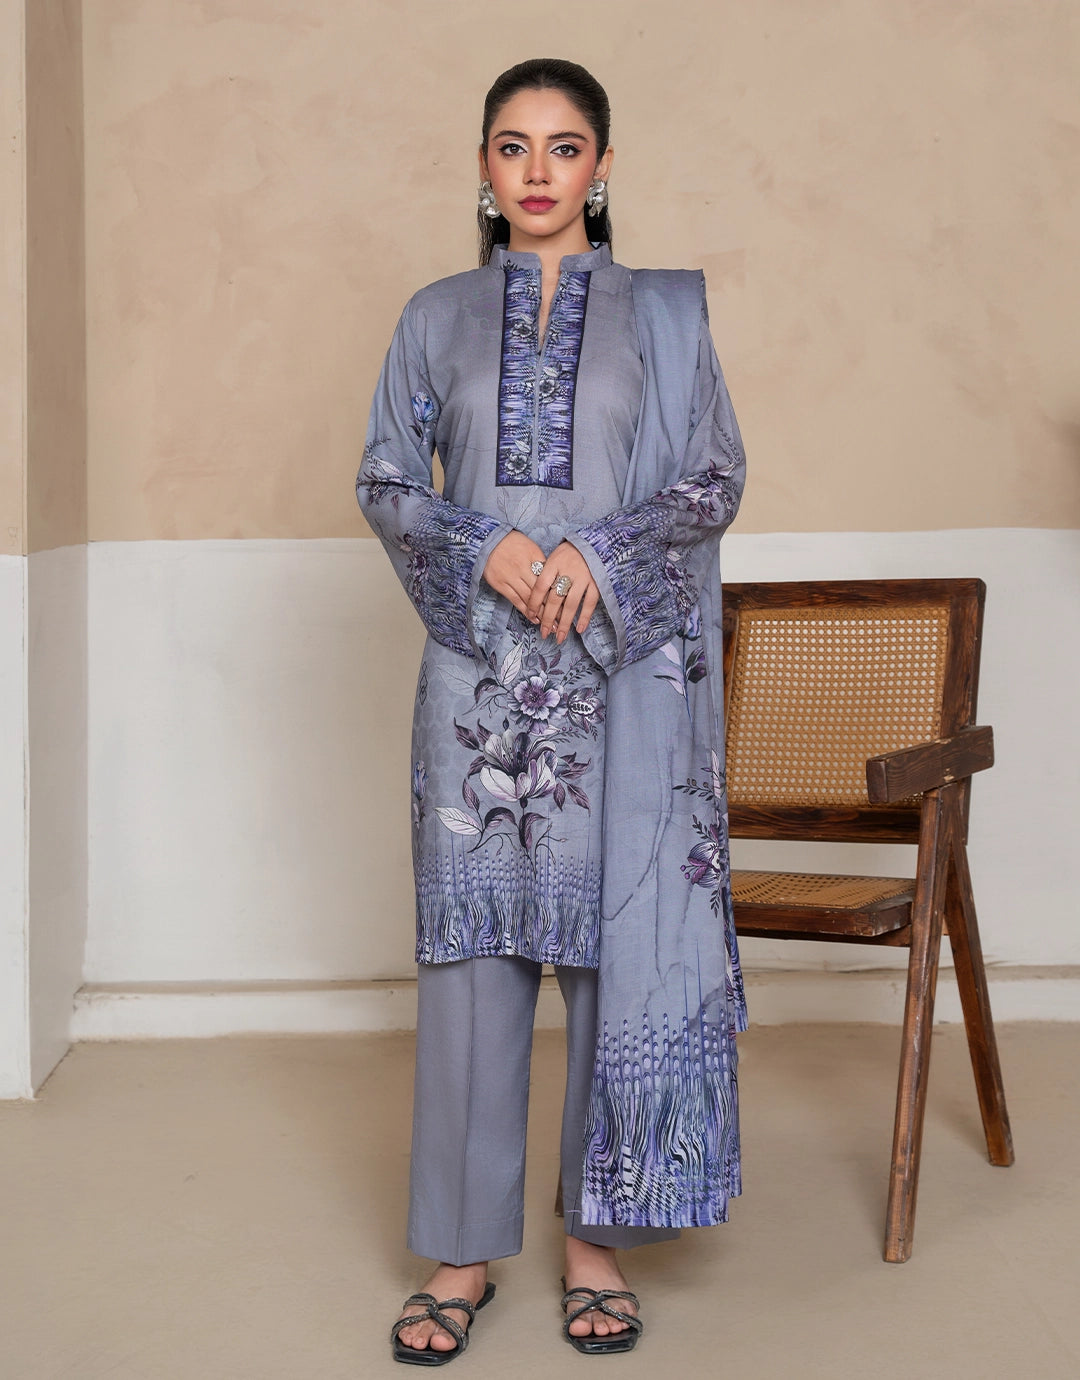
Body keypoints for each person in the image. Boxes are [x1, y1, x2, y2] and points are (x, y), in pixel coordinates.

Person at [356, 57, 748, 1365]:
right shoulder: (434, 316)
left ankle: (596, 1247)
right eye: (514, 146)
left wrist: (598, 554)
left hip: (618, 683)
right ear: (483, 165)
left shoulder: (663, 317)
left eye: (564, 146)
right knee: (473, 967)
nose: (538, 170)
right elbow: (387, 478)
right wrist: (485, 545)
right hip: (479, 685)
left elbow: (711, 480)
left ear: (603, 166)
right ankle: (459, 1254)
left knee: (606, 956)